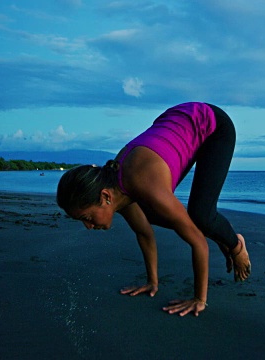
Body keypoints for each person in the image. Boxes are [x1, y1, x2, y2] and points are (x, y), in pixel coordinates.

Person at [56, 102, 251, 317]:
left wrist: (199, 299)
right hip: (176, 125)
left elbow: (197, 242)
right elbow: (144, 232)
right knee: (158, 215)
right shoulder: (116, 188)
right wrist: (152, 282)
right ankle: (219, 229)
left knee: (200, 216)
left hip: (211, 124)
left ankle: (235, 244)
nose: (88, 226)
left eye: (87, 217)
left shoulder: (145, 185)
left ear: (105, 197)